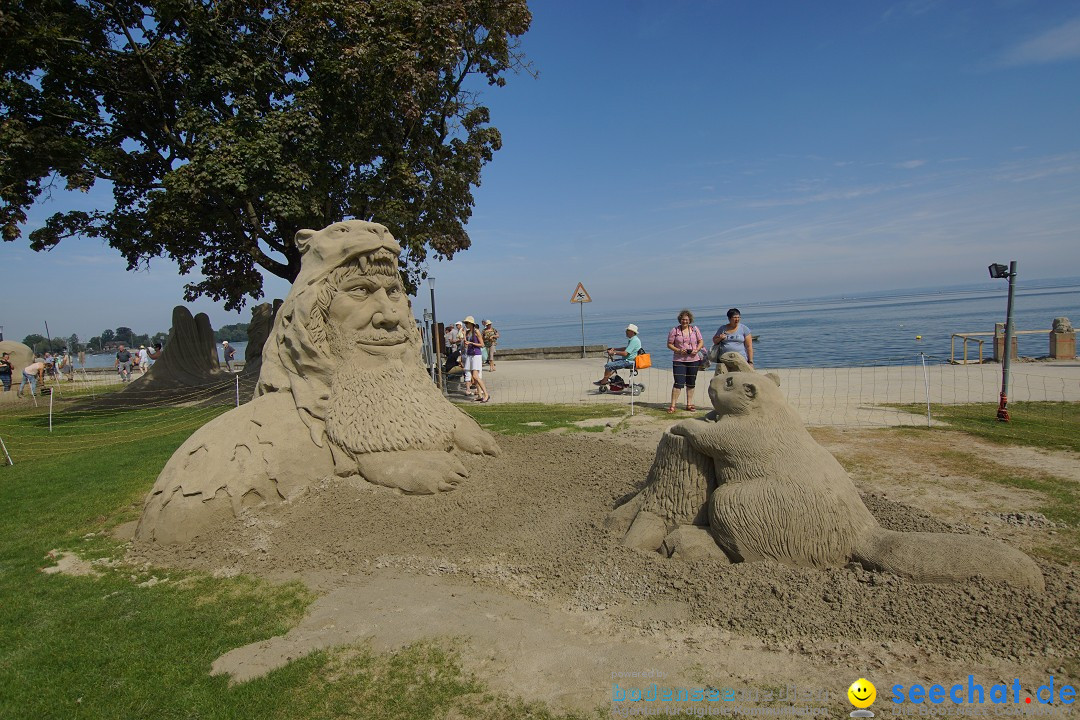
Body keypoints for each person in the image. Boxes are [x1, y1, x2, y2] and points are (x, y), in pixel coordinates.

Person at [667, 309, 705, 413]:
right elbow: (669, 344)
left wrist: (696, 350)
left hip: (694, 359)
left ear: (690, 320)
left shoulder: (695, 329)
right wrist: (679, 350)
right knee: (678, 383)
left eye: (687, 319)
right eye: (683, 319)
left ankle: (689, 404)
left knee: (691, 383)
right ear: (680, 320)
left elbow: (701, 341)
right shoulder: (674, 330)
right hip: (679, 360)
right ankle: (673, 405)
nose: (685, 321)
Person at [461, 316, 490, 402]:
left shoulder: (476, 331)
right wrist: (464, 336)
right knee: (473, 377)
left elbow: (482, 344)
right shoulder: (468, 332)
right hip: (470, 354)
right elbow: (466, 343)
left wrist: (471, 343)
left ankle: (486, 394)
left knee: (475, 376)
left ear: (471, 324)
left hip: (476, 355)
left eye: (467, 323)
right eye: (465, 323)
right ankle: (480, 395)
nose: (465, 325)